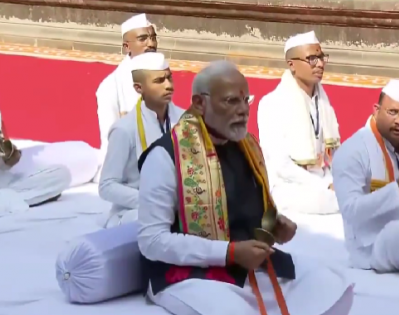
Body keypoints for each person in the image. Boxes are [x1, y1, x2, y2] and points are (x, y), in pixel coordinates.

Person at [137, 61, 353, 315]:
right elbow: (151, 241)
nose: (243, 111)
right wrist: (229, 253)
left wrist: (275, 225)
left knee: (333, 287)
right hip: (189, 273)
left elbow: (247, 211)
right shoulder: (166, 155)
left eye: (245, 101)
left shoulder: (245, 145)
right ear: (199, 104)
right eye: (231, 102)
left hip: (248, 264)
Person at [332, 79, 399, 278]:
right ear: (376, 110)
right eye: (393, 112)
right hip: (371, 243)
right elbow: (351, 212)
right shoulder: (353, 150)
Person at [258, 31, 340, 215]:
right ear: (291, 65)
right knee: (343, 200)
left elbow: (334, 153)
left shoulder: (324, 103)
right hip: (290, 188)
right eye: (311, 58)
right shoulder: (272, 103)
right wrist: (326, 185)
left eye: (321, 57)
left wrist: (338, 180)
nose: (319, 64)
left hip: (326, 182)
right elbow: (280, 165)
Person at [99, 52, 184, 228]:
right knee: (152, 221)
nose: (168, 86)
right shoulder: (125, 129)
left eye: (169, 78)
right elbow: (107, 186)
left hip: (181, 206)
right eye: (159, 81)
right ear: (139, 88)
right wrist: (151, 202)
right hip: (134, 212)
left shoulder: (186, 120)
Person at [95, 13, 157, 181]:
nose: (151, 44)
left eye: (153, 38)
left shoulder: (159, 77)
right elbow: (112, 143)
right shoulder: (109, 87)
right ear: (127, 47)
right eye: (143, 39)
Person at [0, 130, 71, 213]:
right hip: (7, 188)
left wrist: (9, 155)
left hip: (8, 183)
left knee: (61, 173)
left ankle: (10, 199)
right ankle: (11, 200)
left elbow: (10, 160)